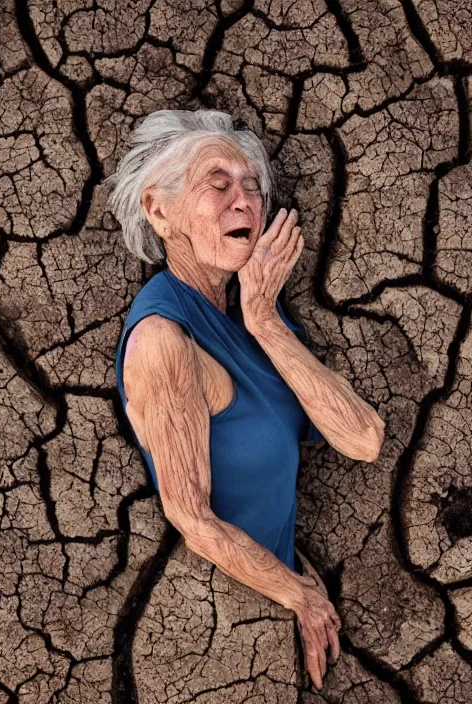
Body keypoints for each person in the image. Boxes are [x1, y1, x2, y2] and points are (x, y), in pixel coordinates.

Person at [106, 109, 386, 691]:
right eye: (218, 184)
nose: (244, 202)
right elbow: (191, 517)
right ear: (160, 211)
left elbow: (363, 439)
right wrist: (300, 595)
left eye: (253, 186)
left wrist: (263, 318)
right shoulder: (164, 342)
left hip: (273, 586)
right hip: (214, 619)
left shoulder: (252, 307)